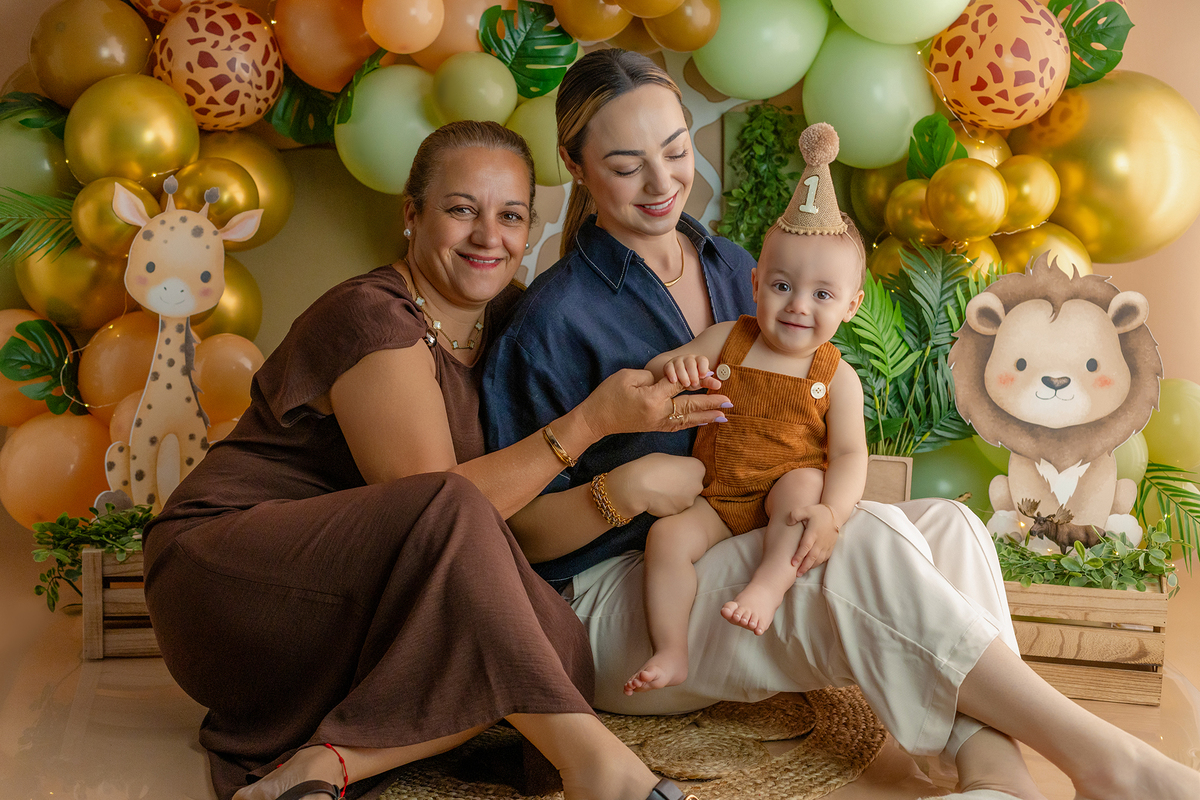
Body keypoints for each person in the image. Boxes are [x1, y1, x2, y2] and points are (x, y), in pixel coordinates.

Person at [481, 48, 1200, 800]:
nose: (663, 183)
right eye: (628, 166)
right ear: (575, 165)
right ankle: (1107, 761)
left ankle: (996, 776)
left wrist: (816, 497)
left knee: (952, 527)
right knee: (864, 541)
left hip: (738, 543)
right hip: (616, 603)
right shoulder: (553, 321)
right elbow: (509, 539)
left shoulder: (732, 264)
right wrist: (622, 488)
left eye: (675, 150)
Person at [141, 120, 724, 800]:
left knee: (557, 639)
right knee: (451, 508)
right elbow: (436, 510)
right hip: (234, 578)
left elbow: (496, 530)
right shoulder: (372, 316)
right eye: (461, 210)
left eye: (511, 216)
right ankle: (599, 768)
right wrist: (592, 421)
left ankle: (324, 767)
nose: (488, 236)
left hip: (355, 599)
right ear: (412, 215)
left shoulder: (514, 321)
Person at [623, 122, 870, 697]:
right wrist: (678, 367)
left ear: (852, 305)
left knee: (804, 485)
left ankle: (768, 585)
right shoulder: (728, 340)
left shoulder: (836, 377)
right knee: (666, 540)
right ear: (756, 282)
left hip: (785, 496)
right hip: (719, 496)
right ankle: (672, 649)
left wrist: (832, 513)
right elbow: (660, 367)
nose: (798, 305)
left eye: (822, 295)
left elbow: (850, 455)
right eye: (782, 286)